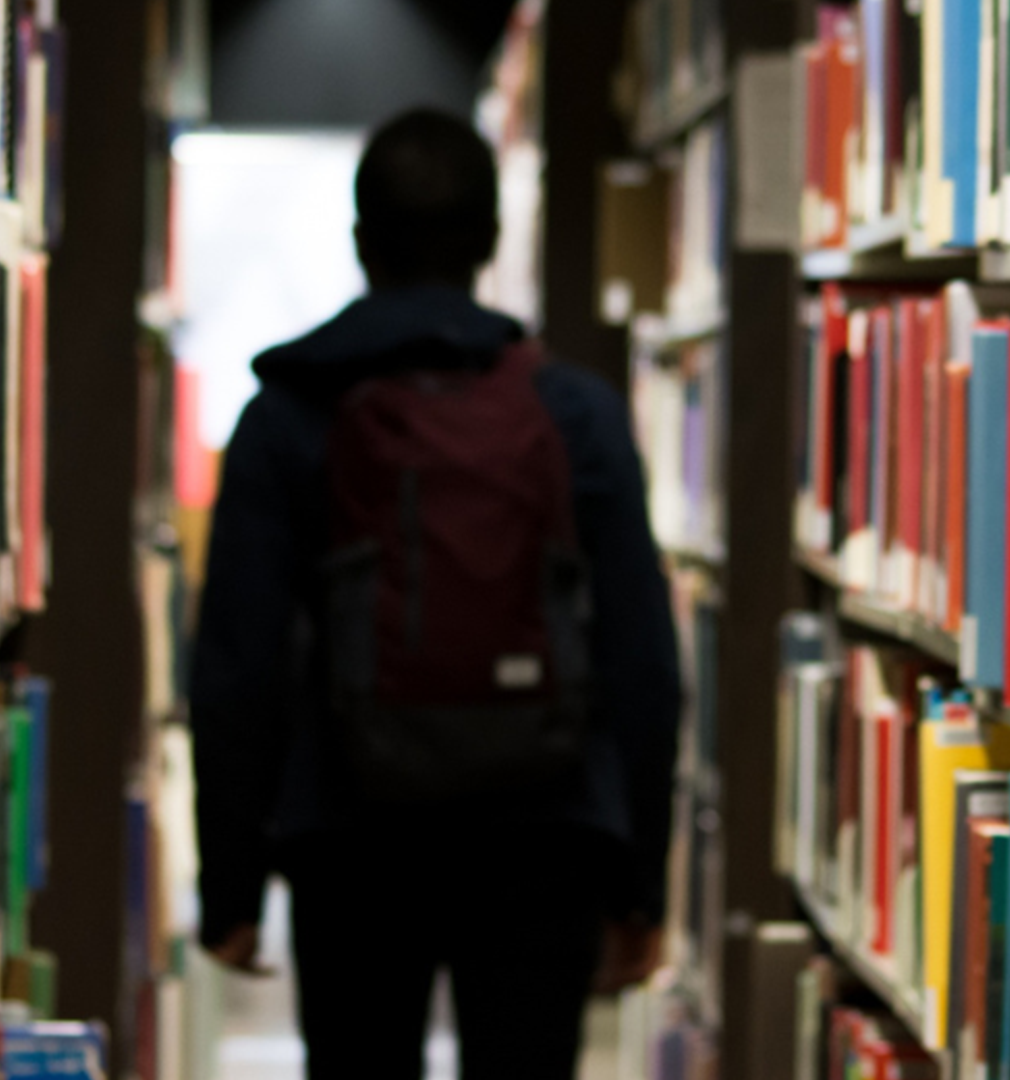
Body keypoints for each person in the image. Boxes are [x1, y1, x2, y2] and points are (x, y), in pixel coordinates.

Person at [189, 107, 681, 1080]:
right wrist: (640, 883)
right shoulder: (573, 412)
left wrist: (232, 884)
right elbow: (643, 661)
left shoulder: (287, 415)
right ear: (492, 241)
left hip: (350, 833)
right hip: (547, 832)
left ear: (362, 241)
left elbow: (236, 663)